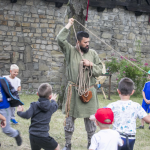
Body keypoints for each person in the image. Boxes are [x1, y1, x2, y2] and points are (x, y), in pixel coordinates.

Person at [57, 18, 102, 150]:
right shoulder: (70, 51)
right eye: (85, 42)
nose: (88, 44)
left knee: (91, 120)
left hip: (89, 91)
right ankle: (68, 144)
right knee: (70, 119)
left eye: (89, 42)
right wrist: (69, 25)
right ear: (78, 42)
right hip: (74, 91)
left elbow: (100, 70)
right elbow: (60, 39)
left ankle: (90, 144)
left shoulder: (93, 54)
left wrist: (91, 64)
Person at [106, 77, 150, 150]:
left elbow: (102, 116)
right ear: (132, 92)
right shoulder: (136, 106)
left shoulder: (112, 105)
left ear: (118, 91)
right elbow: (148, 120)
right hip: (130, 139)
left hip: (116, 137)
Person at [17, 83, 60, 150]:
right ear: (50, 96)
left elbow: (27, 115)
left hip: (32, 136)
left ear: (37, 94)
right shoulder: (51, 107)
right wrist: (53, 100)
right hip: (43, 136)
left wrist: (19, 112)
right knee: (56, 147)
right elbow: (55, 106)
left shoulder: (34, 105)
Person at [0, 76, 23, 146]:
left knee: (6, 129)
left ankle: (16, 134)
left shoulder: (3, 80)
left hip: (4, 108)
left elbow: (13, 91)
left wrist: (18, 103)